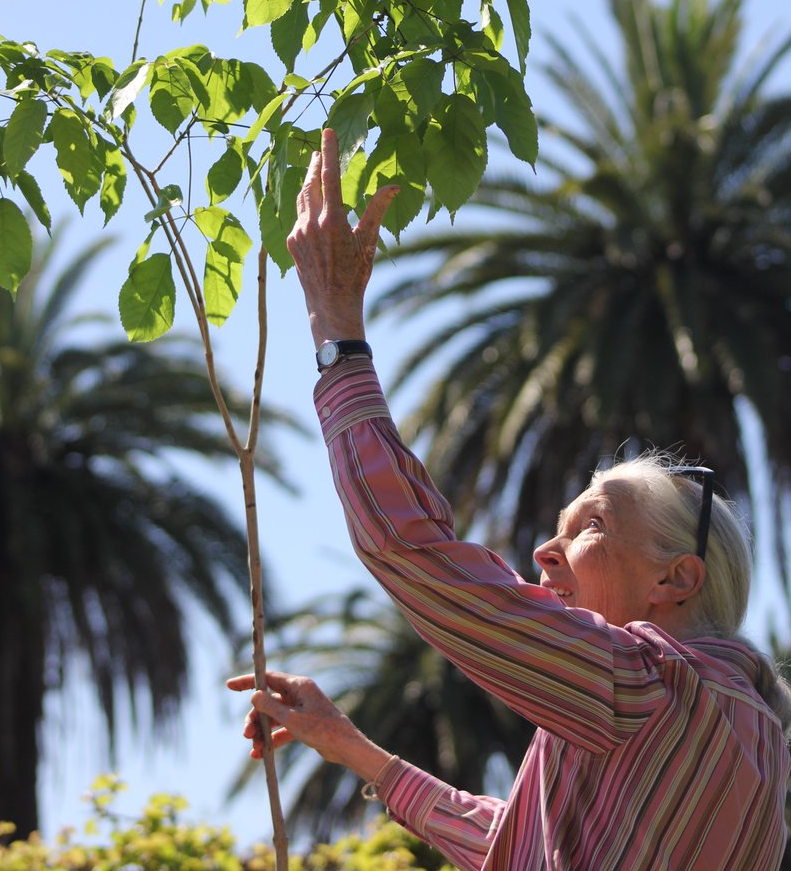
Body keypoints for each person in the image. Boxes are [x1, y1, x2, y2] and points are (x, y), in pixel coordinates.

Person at [228, 130, 791, 870]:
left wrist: (337, 332)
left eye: (591, 526)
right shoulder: (752, 733)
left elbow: (417, 555)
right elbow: (524, 843)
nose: (543, 551)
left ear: (676, 578)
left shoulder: (652, 686)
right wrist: (353, 749)